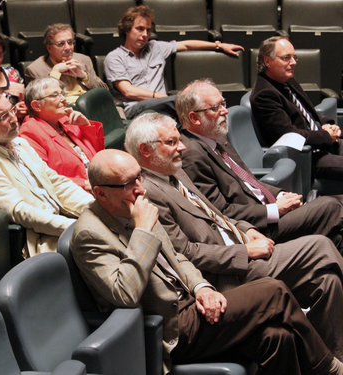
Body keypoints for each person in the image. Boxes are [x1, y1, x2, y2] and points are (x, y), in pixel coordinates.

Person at [71, 148, 343, 375]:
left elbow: (177, 258)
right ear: (101, 193)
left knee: (276, 337)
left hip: (194, 303)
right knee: (273, 291)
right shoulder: (89, 234)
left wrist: (202, 288)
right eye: (127, 184)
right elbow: (124, 293)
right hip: (170, 326)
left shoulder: (134, 206)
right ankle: (328, 368)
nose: (140, 189)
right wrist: (142, 231)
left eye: (139, 177)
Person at [124, 111, 343, 360]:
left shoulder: (174, 172)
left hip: (241, 244)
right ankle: (325, 363)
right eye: (172, 142)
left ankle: (329, 357)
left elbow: (216, 213)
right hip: (227, 272)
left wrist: (246, 229)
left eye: (179, 140)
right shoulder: (148, 192)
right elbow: (183, 252)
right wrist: (244, 251)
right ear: (145, 150)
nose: (182, 147)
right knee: (320, 245)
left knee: (327, 282)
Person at [178, 79, 343, 249]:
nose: (225, 111)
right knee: (331, 207)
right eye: (215, 108)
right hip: (255, 229)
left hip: (266, 209)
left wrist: (279, 195)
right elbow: (219, 212)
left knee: (335, 233)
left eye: (223, 104)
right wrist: (274, 210)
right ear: (194, 118)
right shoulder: (192, 155)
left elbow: (249, 181)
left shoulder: (217, 137)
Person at [0, 89, 94, 258]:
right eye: (3, 116)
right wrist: (76, 227)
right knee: (103, 245)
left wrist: (94, 206)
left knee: (116, 222)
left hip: (62, 217)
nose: (13, 118)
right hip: (39, 237)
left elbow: (55, 182)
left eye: (11, 110)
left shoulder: (18, 143)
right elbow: (21, 212)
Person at [104, 5, 243, 120]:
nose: (145, 34)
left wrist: (218, 46)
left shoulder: (155, 48)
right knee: (187, 103)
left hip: (164, 106)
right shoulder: (115, 57)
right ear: (127, 29)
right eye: (140, 29)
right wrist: (162, 97)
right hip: (136, 109)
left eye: (148, 30)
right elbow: (128, 91)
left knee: (189, 110)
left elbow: (186, 45)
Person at [250, 36, 343, 179]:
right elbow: (289, 136)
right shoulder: (264, 94)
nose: (293, 62)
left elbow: (308, 114)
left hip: (322, 144)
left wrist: (327, 125)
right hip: (308, 156)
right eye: (286, 58)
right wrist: (326, 136)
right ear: (267, 61)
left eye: (294, 57)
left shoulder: (287, 80)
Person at [19, 77, 104, 191]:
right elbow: (44, 177)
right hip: (76, 191)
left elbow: (98, 155)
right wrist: (84, 184)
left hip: (99, 182)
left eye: (62, 94)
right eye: (55, 95)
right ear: (36, 106)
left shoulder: (66, 119)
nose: (64, 99)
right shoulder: (30, 132)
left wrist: (85, 126)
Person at [24, 23, 107, 105]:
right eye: (61, 44)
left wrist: (84, 76)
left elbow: (105, 92)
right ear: (49, 48)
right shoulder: (35, 70)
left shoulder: (84, 60)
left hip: (92, 107)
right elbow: (43, 104)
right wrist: (55, 73)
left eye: (70, 42)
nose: (68, 48)